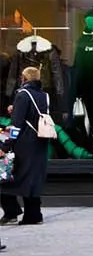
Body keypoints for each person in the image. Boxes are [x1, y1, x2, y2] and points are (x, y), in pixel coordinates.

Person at [1, 65, 51, 227]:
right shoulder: (44, 95)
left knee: (8, 176)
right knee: (33, 177)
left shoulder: (22, 95)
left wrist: (7, 145)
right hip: (40, 140)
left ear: (24, 78)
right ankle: (34, 214)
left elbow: (16, 125)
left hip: (24, 143)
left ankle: (11, 211)